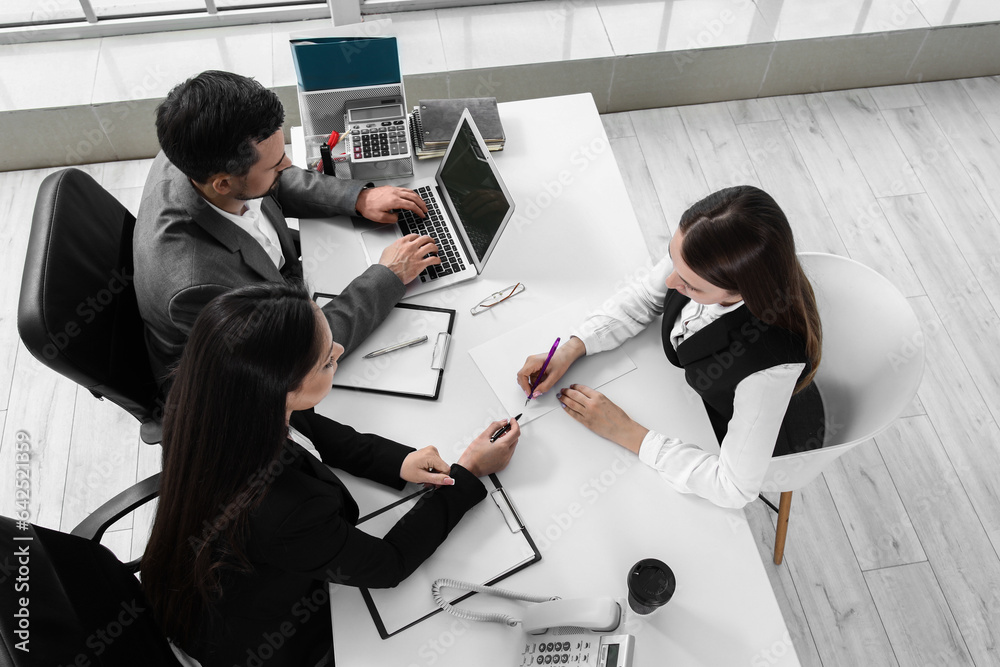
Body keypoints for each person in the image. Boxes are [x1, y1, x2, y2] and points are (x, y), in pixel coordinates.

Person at [140, 282, 519, 666]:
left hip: (203, 573)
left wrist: (397, 462)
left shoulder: (218, 393)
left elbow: (309, 428)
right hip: (263, 637)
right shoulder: (286, 508)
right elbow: (388, 564)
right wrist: (469, 472)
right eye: (326, 361)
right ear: (282, 388)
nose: (338, 350)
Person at [516, 186, 824, 509]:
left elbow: (733, 488)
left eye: (690, 286)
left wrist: (626, 432)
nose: (670, 282)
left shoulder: (769, 368)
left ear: (739, 289)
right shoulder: (701, 250)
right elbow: (647, 297)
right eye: (673, 261)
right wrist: (573, 347)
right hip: (689, 394)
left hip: (739, 429)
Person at [134, 70, 441, 387]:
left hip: (284, 285)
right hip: (249, 379)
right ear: (224, 184)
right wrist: (387, 276)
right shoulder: (197, 284)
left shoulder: (198, 148)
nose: (287, 166)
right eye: (275, 163)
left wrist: (358, 198)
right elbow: (303, 353)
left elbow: (273, 178)